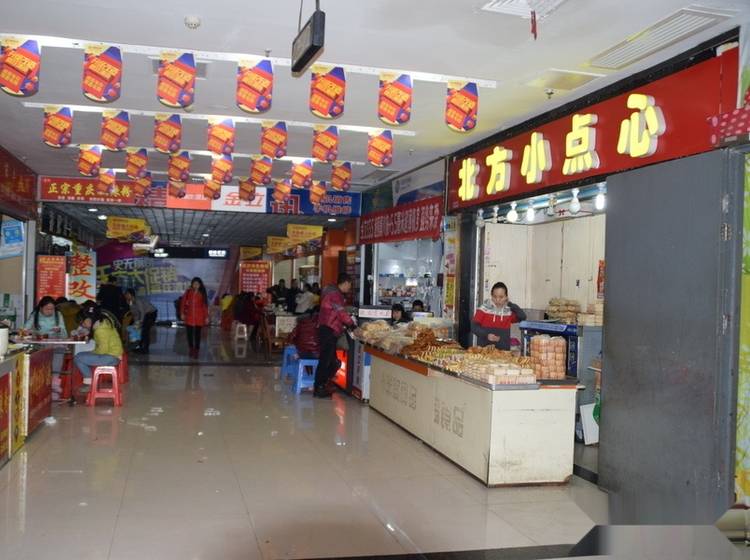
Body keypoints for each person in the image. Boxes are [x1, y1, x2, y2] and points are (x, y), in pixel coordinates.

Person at [314, 273, 356, 398]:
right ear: (346, 283)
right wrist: (352, 325)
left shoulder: (331, 291)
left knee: (333, 361)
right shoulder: (335, 294)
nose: (350, 288)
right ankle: (319, 387)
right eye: (350, 285)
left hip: (327, 328)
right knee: (327, 361)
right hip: (329, 329)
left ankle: (322, 385)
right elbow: (341, 312)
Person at [73, 306, 123, 385]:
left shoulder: (100, 329)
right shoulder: (102, 324)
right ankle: (89, 379)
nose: (83, 325)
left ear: (90, 319)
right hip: (112, 354)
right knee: (79, 355)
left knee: (78, 358)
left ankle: (89, 381)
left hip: (111, 357)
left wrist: (93, 352)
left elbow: (103, 350)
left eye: (83, 323)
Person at [471, 282, 526, 350]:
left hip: (504, 352)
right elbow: (473, 327)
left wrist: (510, 304)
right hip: (484, 352)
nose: (497, 300)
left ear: (506, 297)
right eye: (495, 297)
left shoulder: (508, 311)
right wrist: (486, 335)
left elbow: (522, 317)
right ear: (491, 296)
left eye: (501, 297)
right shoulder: (484, 309)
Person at [180, 277, 209, 359]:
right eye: (194, 284)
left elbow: (204, 306)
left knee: (197, 335)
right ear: (192, 284)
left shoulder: (202, 293)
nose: (196, 285)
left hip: (199, 316)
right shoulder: (188, 292)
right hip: (189, 316)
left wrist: (206, 317)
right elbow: (183, 303)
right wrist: (182, 313)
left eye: (197, 284)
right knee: (189, 334)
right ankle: (191, 348)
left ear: (200, 285)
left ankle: (196, 351)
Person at [124, 289, 157, 353]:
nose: (125, 296)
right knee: (140, 330)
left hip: (151, 313)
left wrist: (140, 322)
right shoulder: (131, 303)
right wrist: (136, 322)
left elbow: (142, 312)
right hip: (145, 315)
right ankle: (140, 347)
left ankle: (145, 349)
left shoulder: (138, 300)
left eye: (127, 294)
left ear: (131, 295)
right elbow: (135, 314)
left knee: (145, 330)